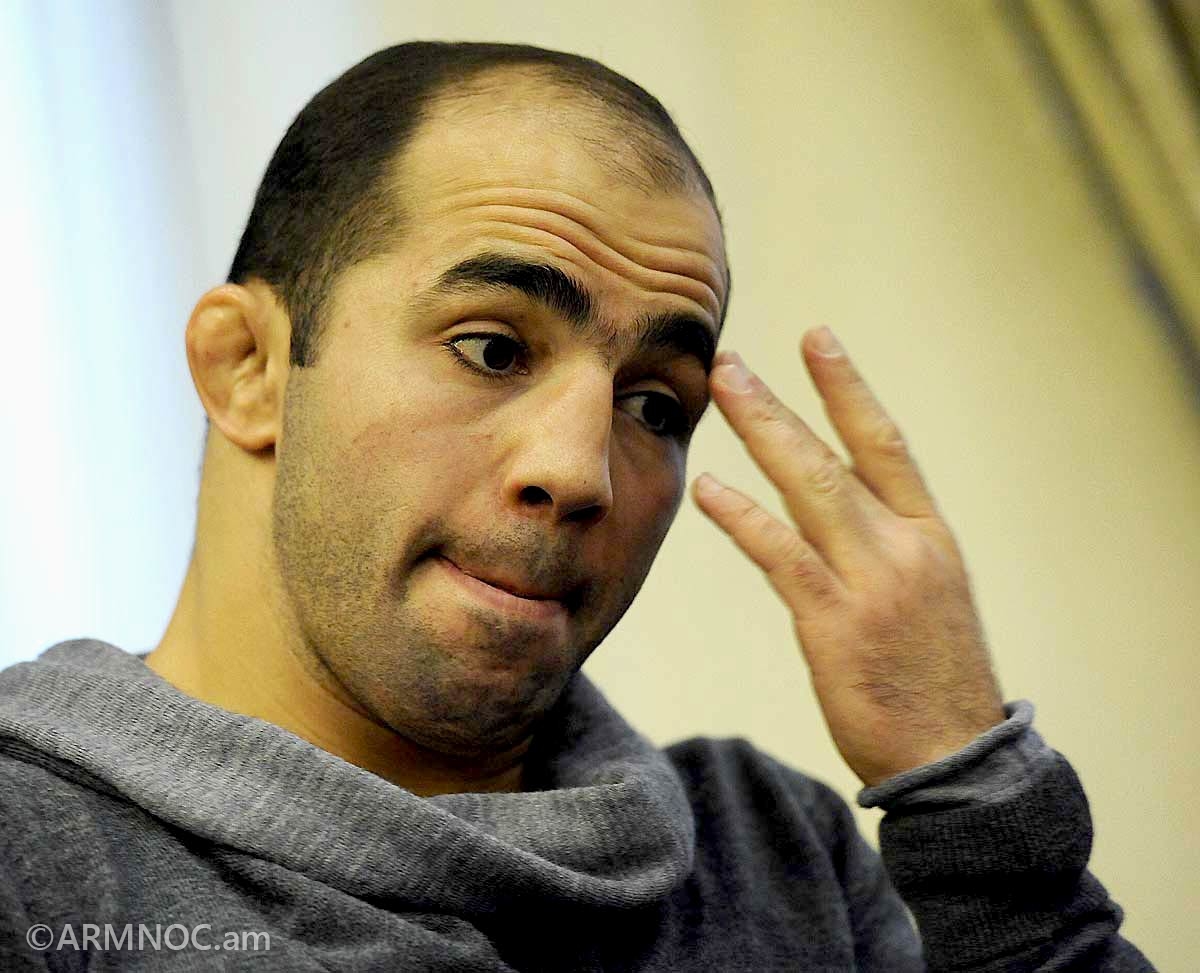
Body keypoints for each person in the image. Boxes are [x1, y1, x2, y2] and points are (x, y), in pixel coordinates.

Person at [0, 41, 1156, 972]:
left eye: (654, 405)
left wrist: (968, 790)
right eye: (493, 347)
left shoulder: (771, 852)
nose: (583, 472)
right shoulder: (30, 867)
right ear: (247, 366)